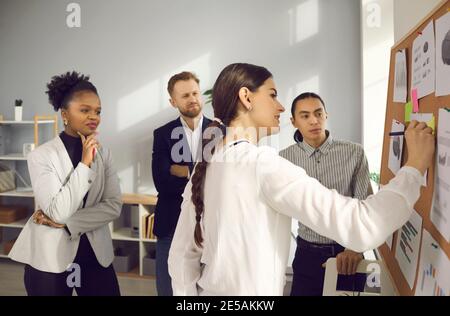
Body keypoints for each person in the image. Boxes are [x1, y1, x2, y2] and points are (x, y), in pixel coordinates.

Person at [168, 63, 435, 296]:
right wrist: (414, 168)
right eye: (272, 95)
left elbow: (182, 255)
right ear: (246, 97)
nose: (281, 106)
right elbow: (361, 224)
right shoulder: (263, 164)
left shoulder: (210, 163)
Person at [9, 71, 122, 296]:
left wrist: (70, 223)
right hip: (50, 258)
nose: (94, 116)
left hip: (95, 255)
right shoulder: (41, 156)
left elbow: (113, 205)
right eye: (84, 110)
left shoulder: (105, 155)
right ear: (65, 114)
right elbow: (58, 211)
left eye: (98, 111)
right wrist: (85, 164)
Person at [280, 92, 371, 296]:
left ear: (326, 115)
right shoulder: (284, 159)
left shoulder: (354, 153)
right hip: (306, 254)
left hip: (348, 254)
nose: (314, 120)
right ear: (294, 122)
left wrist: (354, 248)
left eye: (318, 113)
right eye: (305, 116)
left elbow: (364, 206)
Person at [152, 71, 212, 296]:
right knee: (168, 291)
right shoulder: (163, 134)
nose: (192, 98)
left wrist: (185, 171)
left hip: (209, 227)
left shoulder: (220, 132)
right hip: (171, 225)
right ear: (173, 101)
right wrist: (202, 174)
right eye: (185, 95)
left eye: (195, 93)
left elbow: (221, 180)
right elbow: (162, 182)